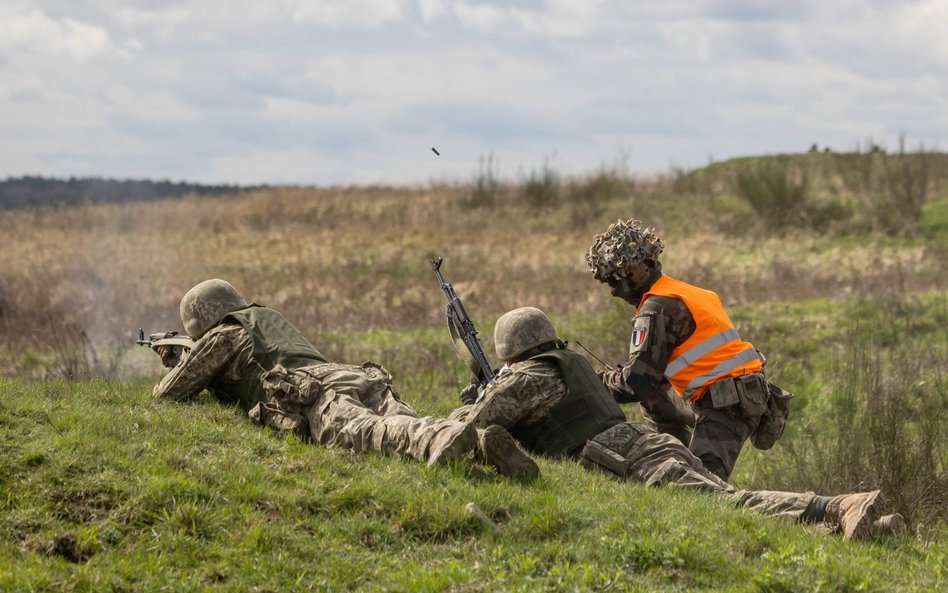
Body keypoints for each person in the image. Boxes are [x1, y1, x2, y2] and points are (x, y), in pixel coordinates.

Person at [449, 307, 903, 541]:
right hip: (646, 445)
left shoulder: (527, 377)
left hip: (624, 460)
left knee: (728, 505)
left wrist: (477, 395)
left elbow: (470, 428)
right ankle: (859, 528)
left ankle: (838, 507)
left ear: (510, 351)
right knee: (725, 504)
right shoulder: (570, 363)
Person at [152, 278, 539, 482]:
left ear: (201, 321)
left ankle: (442, 437)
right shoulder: (264, 317)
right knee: (403, 421)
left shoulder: (222, 335)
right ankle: (483, 447)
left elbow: (171, 394)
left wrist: (174, 361)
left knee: (374, 434)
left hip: (314, 391)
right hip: (355, 374)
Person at [585, 218, 791, 481]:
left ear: (636, 272)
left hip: (726, 403)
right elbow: (651, 380)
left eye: (614, 283)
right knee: (653, 400)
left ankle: (683, 474)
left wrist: (593, 384)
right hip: (739, 394)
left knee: (704, 486)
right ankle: (673, 459)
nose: (614, 293)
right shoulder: (688, 292)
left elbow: (637, 382)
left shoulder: (655, 308)